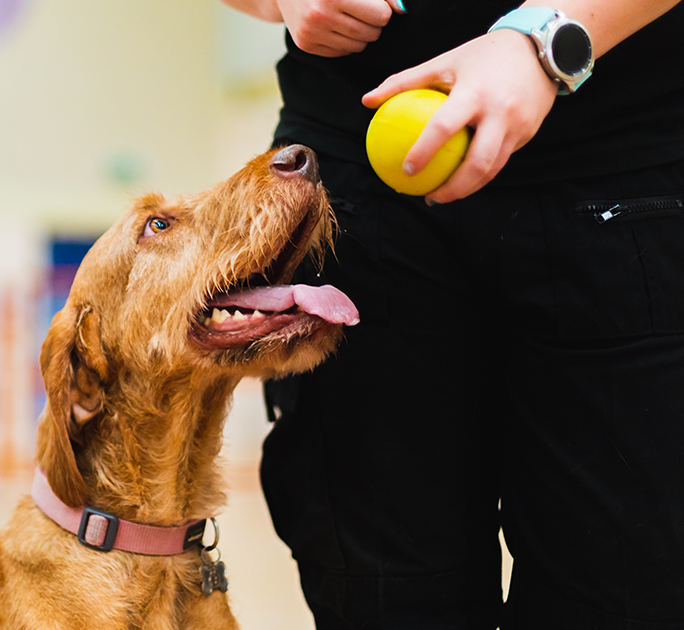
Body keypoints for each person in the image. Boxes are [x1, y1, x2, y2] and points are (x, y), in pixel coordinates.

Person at [220, 1, 684, 628]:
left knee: (624, 594)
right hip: (352, 194)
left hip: (623, 178)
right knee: (382, 601)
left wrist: (545, 38)